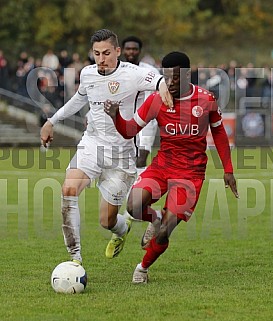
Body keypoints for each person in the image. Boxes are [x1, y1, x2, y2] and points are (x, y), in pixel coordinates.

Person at [104, 51, 239, 284]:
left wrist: (228, 170)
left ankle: (142, 268)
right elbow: (129, 131)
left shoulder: (206, 100)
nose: (170, 83)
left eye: (175, 78)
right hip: (162, 167)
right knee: (134, 205)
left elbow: (217, 131)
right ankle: (154, 218)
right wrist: (116, 116)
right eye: (166, 78)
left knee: (167, 230)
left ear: (188, 74)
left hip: (190, 175)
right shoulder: (157, 100)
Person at [40, 29, 173, 265]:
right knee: (68, 190)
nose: (101, 59)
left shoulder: (133, 74)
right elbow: (79, 99)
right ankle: (75, 260)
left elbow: (159, 80)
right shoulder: (88, 73)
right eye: (97, 53)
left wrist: (163, 86)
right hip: (92, 145)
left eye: (107, 53)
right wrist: (52, 121)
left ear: (118, 51)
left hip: (121, 155)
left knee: (107, 221)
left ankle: (122, 231)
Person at [121, 36, 159, 171]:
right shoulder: (117, 71)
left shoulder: (149, 71)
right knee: (125, 162)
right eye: (128, 49)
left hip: (145, 122)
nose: (131, 52)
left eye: (134, 49)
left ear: (140, 51)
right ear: (122, 51)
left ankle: (140, 190)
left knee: (141, 159)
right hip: (123, 121)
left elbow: (156, 95)